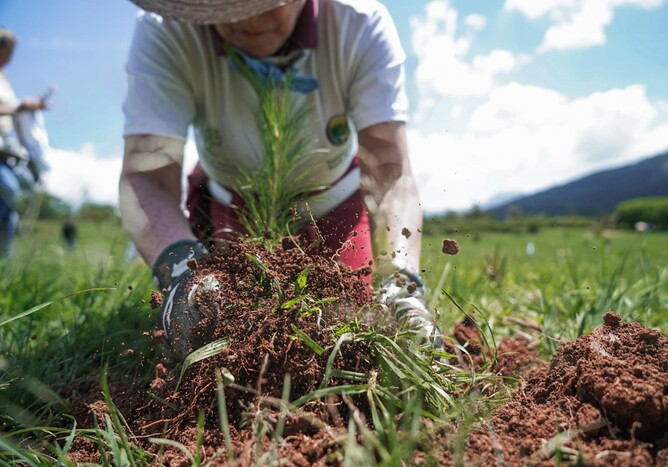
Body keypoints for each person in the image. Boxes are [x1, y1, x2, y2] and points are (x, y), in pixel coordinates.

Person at [120, 0, 441, 359]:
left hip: (335, 205)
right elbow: (147, 178)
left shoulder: (358, 24)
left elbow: (391, 176)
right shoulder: (166, 28)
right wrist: (181, 272)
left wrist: (401, 280)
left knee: (348, 327)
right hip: (233, 208)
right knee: (225, 327)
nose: (248, 17)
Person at [0, 27, 53, 258]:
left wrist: (31, 108)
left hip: (5, 151)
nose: (11, 57)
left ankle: (3, 266)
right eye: (9, 51)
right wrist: (20, 107)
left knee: (9, 210)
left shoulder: (4, 79)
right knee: (8, 190)